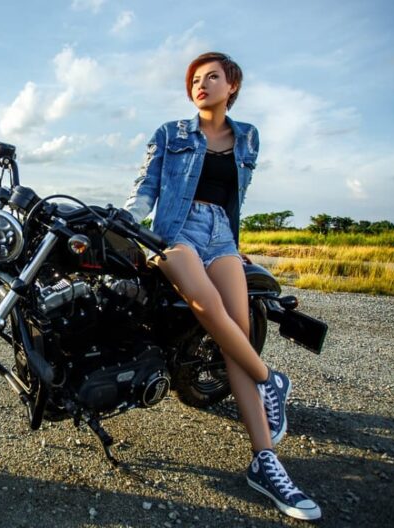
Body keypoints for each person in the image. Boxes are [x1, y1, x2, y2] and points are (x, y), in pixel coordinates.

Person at [123, 52, 321, 521]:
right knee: (207, 306)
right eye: (194, 78)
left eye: (212, 77)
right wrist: (128, 222)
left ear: (232, 86)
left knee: (234, 335)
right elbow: (145, 189)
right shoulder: (170, 133)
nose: (201, 84)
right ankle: (270, 379)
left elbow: (236, 196)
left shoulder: (248, 137)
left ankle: (265, 461)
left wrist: (236, 244)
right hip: (175, 233)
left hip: (222, 237)